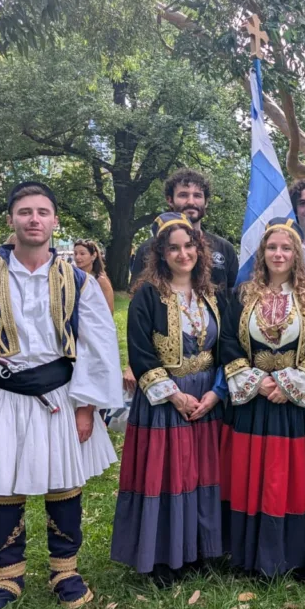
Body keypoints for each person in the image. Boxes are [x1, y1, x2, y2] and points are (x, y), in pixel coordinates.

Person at [0, 181, 123, 609]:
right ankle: (7, 576)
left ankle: (65, 571)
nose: (34, 219)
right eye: (25, 212)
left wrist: (88, 405)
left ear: (54, 221)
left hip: (61, 395)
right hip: (1, 395)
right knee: (3, 486)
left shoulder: (78, 281)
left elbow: (96, 346)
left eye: (42, 212)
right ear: (11, 220)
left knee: (63, 484)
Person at [112, 213, 228, 586]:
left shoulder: (211, 293)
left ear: (199, 248)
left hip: (207, 396)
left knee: (202, 474)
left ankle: (199, 551)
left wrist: (215, 393)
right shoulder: (147, 294)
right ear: (160, 253)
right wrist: (175, 396)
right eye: (173, 248)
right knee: (167, 476)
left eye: (189, 245)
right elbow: (141, 353)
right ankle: (163, 557)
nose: (183, 254)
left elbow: (226, 348)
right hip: (166, 400)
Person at [219, 218, 305, 577]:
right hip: (253, 401)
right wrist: (257, 381)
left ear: (297, 254)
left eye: (286, 248)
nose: (278, 254)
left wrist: (290, 383)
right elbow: (227, 343)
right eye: (272, 247)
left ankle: (293, 555)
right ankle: (247, 554)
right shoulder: (241, 295)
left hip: (297, 404)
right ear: (261, 252)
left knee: (292, 479)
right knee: (251, 476)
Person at [130, 169, 239, 293]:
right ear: (170, 200)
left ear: (206, 202)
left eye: (197, 195)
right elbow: (137, 297)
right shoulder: (148, 249)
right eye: (183, 195)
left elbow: (233, 297)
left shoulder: (225, 249)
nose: (191, 202)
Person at [73, 239, 115, 313]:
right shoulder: (73, 277)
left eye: (82, 254)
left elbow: (109, 311)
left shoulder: (101, 280)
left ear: (93, 256)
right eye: (75, 253)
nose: (77, 257)